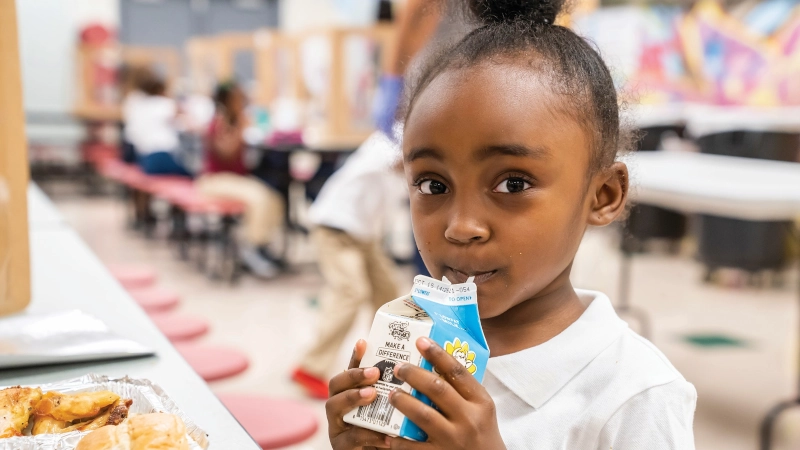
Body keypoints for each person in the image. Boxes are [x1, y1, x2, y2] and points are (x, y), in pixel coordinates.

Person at [325, 0, 697, 448]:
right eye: (432, 185)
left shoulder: (636, 394)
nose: (461, 227)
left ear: (603, 196)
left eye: (513, 183)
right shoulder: (419, 347)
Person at [291, 131, 406, 399]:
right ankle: (310, 367)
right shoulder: (382, 146)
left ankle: (381, 365)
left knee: (389, 295)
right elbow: (389, 159)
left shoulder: (405, 166)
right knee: (351, 292)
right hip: (335, 229)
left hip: (365, 237)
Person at [196, 81, 285, 279]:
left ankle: (262, 244)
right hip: (214, 181)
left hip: (234, 179)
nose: (242, 101)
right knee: (259, 197)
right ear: (228, 100)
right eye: (238, 98)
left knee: (274, 199)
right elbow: (226, 153)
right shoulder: (219, 122)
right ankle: (250, 249)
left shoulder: (236, 119)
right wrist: (241, 129)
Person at [126, 72, 191, 177]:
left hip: (143, 156)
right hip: (160, 156)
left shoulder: (139, 103)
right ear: (161, 90)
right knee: (190, 176)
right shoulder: (163, 103)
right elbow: (183, 112)